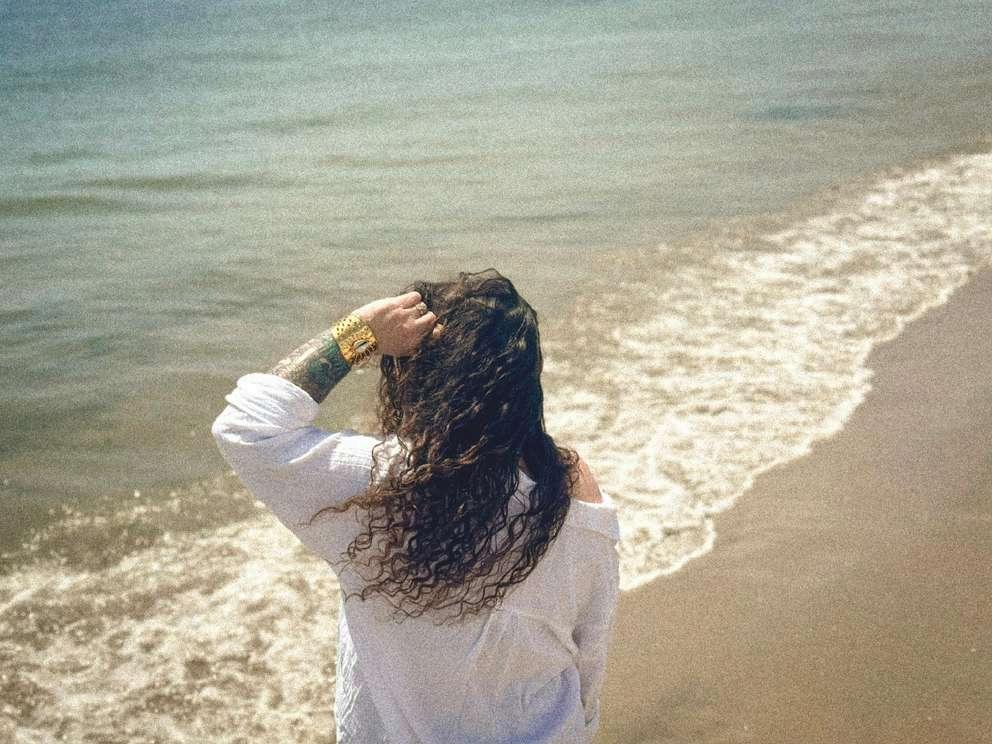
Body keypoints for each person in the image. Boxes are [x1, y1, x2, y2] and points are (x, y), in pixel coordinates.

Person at [211, 268, 620, 743]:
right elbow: (589, 656)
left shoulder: (380, 487)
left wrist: (360, 332)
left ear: (422, 378)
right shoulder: (568, 488)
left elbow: (246, 426)